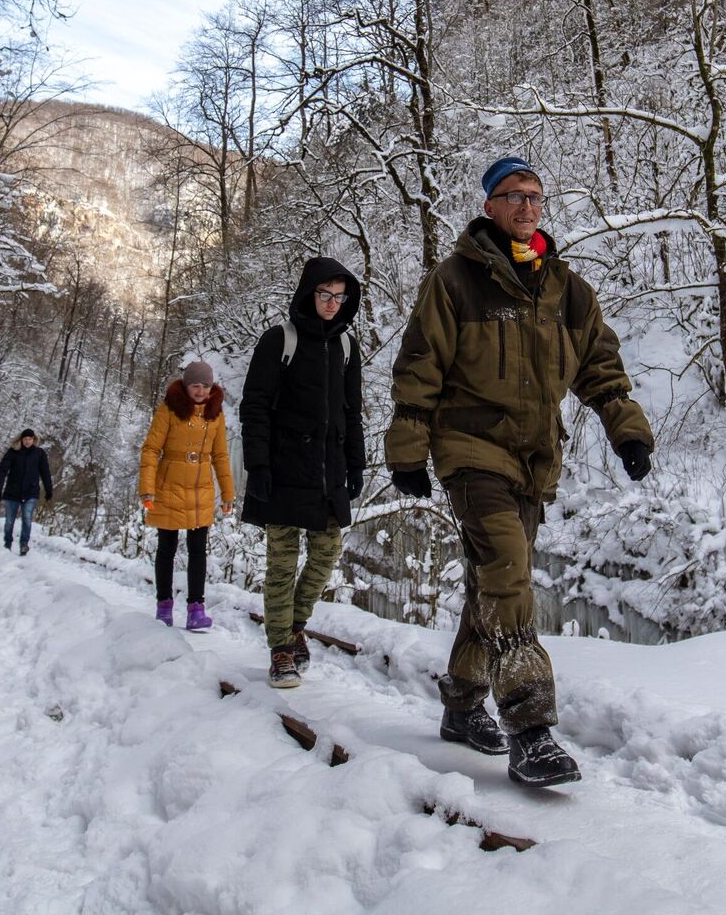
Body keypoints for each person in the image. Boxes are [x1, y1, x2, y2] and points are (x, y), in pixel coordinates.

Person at [386, 155, 654, 788]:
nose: (528, 206)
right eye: (513, 196)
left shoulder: (567, 289)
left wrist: (629, 431)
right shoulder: (455, 282)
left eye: (535, 196)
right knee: (509, 572)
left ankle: (460, 705)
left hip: (534, 459)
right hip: (469, 449)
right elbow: (419, 367)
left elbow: (601, 370)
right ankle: (530, 728)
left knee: (491, 585)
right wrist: (407, 450)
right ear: (489, 206)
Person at [240, 257, 365, 690]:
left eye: (339, 296)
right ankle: (281, 649)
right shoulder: (280, 340)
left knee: (327, 553)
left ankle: (294, 625)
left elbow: (353, 413)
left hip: (328, 474)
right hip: (282, 470)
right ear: (308, 293)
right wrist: (257, 465)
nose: (332, 303)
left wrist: (356, 464)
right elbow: (254, 406)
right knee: (281, 563)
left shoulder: (347, 347)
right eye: (325, 294)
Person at [139, 360, 236, 630]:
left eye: (206, 385)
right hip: (169, 485)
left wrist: (227, 493)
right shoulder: (169, 408)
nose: (200, 390)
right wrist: (147, 489)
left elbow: (220, 455)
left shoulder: (215, 413)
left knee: (198, 551)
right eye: (195, 385)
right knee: (166, 548)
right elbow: (150, 449)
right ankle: (164, 607)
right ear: (186, 384)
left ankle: (196, 609)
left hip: (200, 488)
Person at [0, 429, 54, 554]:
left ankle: (24, 544)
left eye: (30, 439)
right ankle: (7, 543)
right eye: (25, 439)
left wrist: (49, 490)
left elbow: (45, 472)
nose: (27, 441)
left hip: (30, 492)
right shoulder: (13, 452)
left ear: (34, 440)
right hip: (12, 492)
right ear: (21, 439)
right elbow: (2, 470)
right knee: (10, 520)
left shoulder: (39, 453)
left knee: (27, 518)